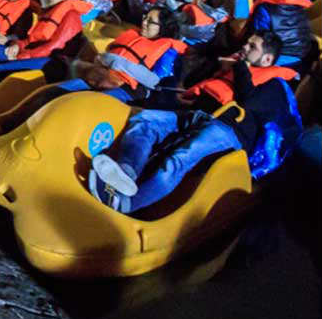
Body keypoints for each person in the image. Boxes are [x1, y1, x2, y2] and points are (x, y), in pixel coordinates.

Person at [88, 31, 302, 213]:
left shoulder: (274, 85)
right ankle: (125, 173)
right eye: (246, 43)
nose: (245, 47)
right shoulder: (231, 68)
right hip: (198, 115)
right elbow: (195, 83)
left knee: (179, 159)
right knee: (145, 120)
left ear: (266, 60)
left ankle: (125, 204)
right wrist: (217, 70)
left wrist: (239, 68)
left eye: (252, 46)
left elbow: (249, 101)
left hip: (229, 131)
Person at [244, 0, 315, 69]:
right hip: (300, 56)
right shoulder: (298, 7)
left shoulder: (265, 8)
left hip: (277, 57)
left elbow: (257, 36)